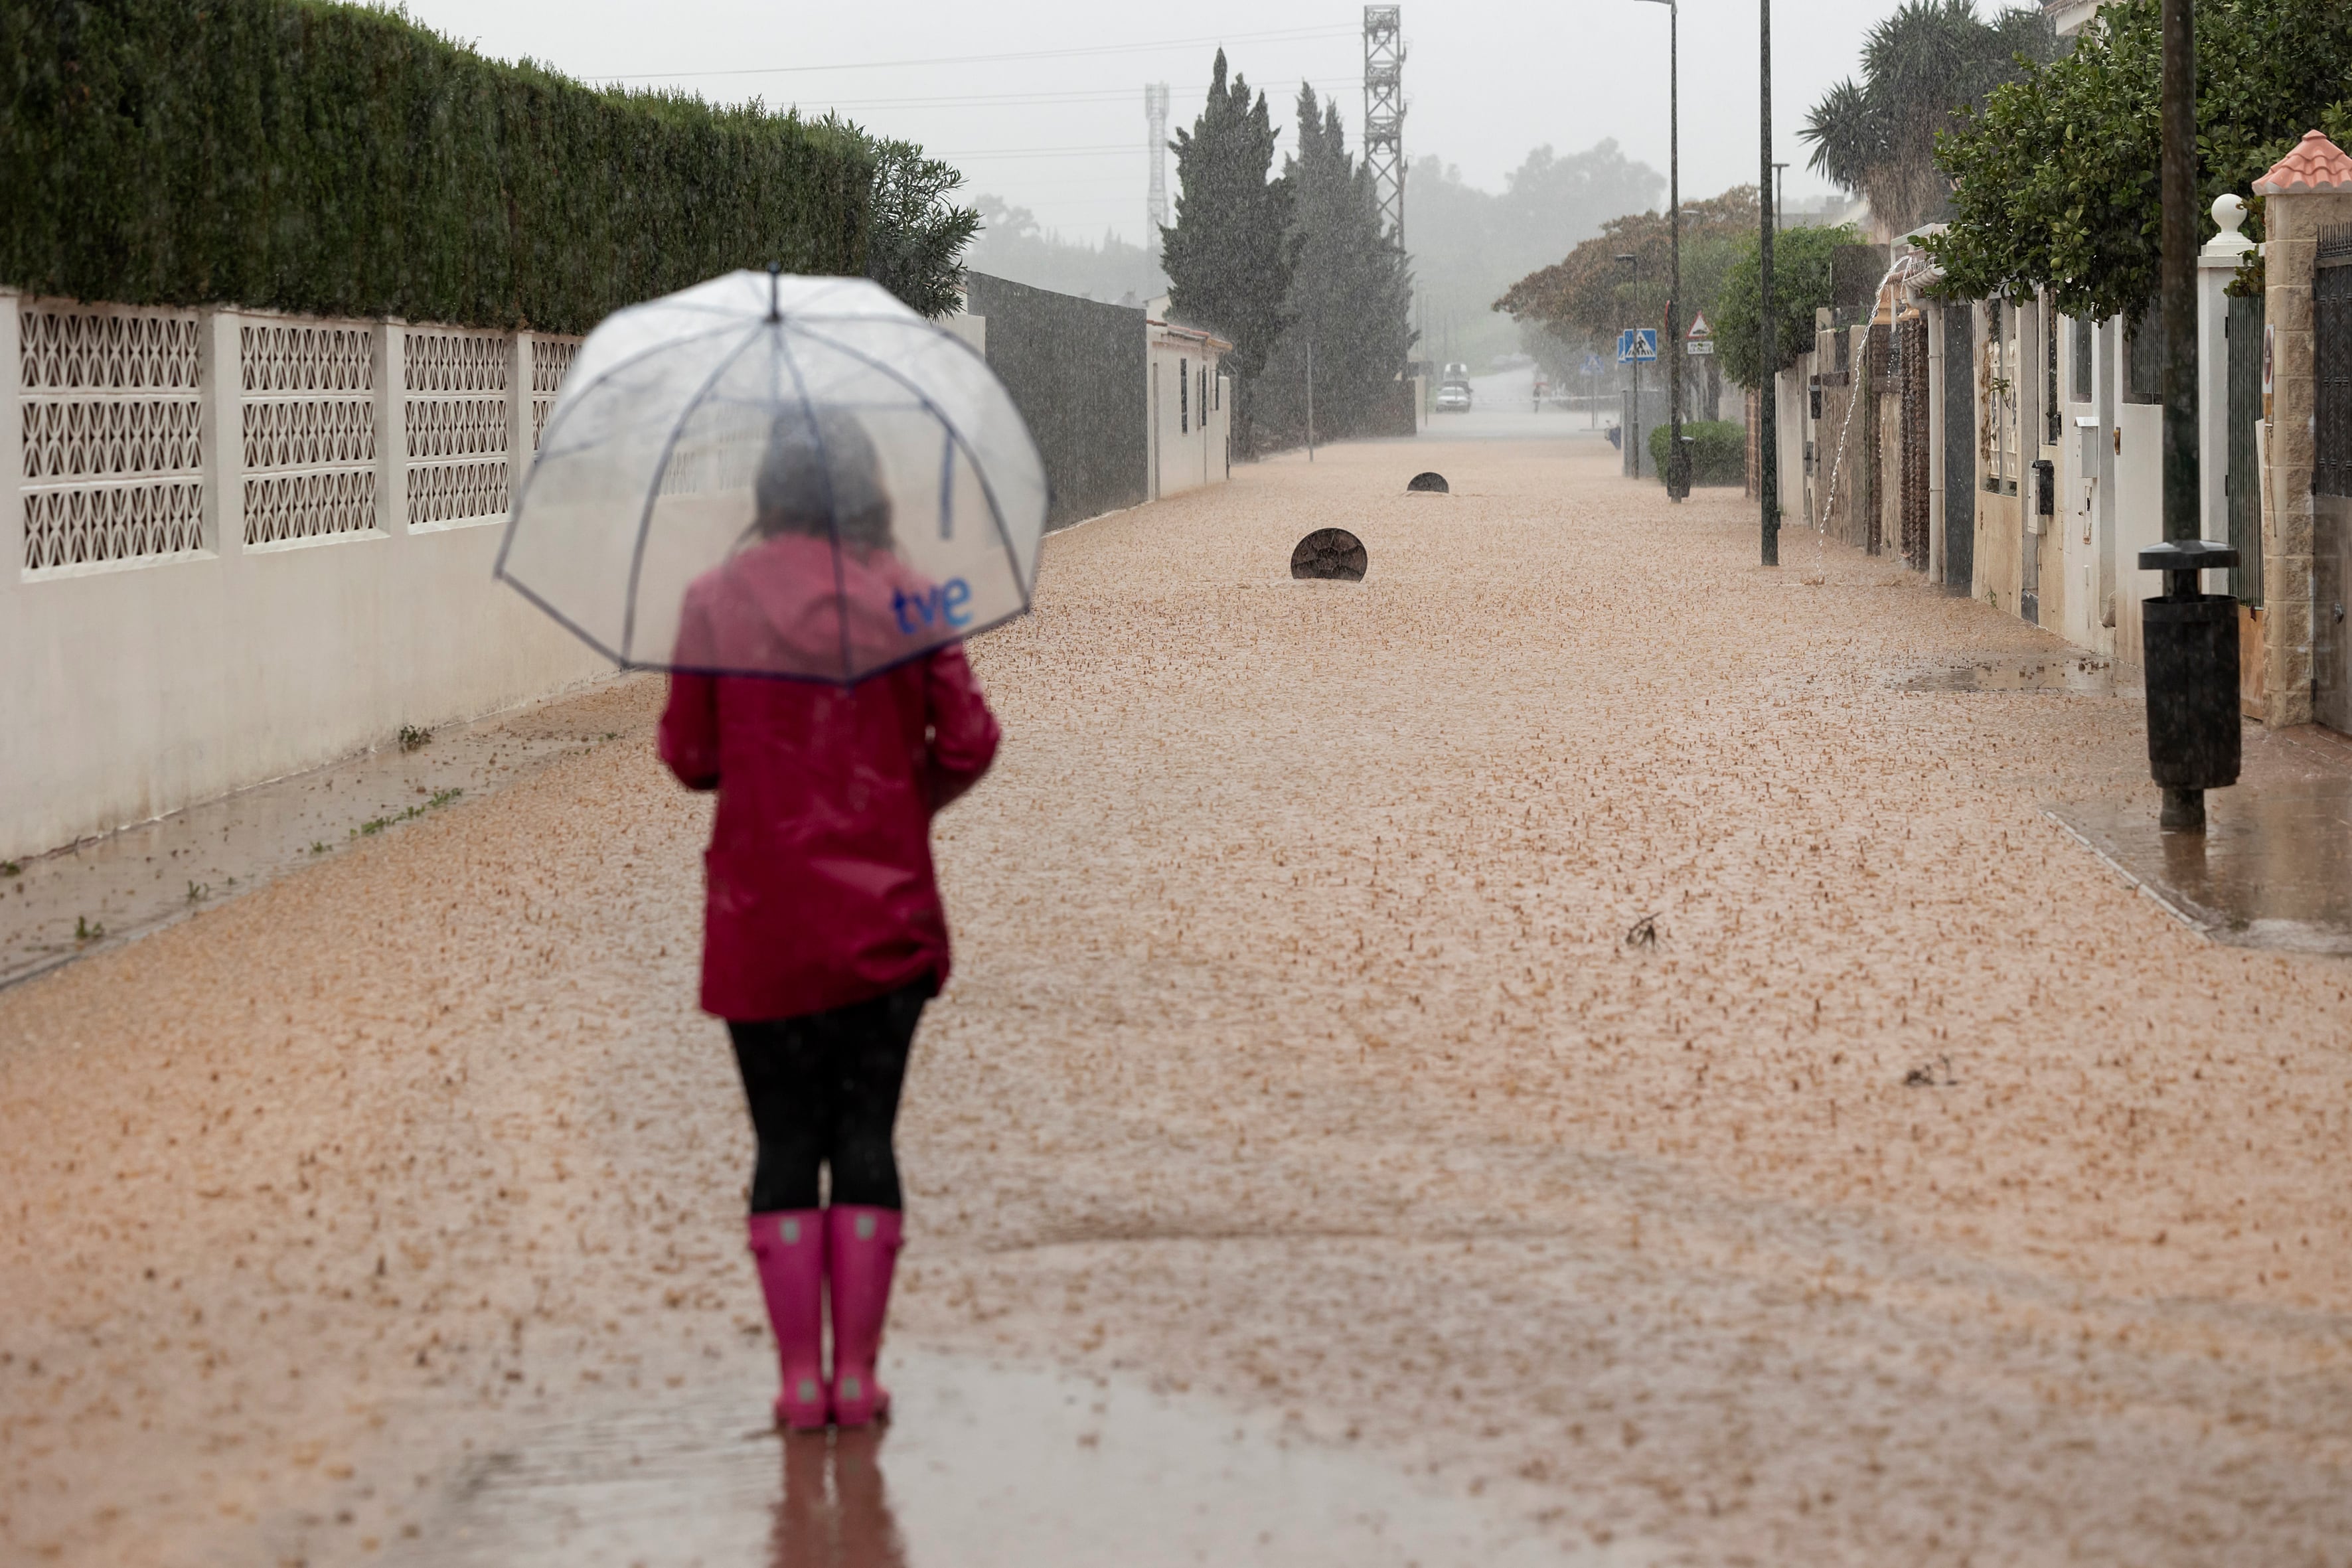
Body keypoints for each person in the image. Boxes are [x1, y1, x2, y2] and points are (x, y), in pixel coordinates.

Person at [659, 409, 1000, 1432]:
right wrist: (901, 800)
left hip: (763, 925)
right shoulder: (911, 595)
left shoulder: (714, 601)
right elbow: (972, 740)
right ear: (868, 491)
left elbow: (689, 757)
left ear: (769, 489)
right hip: (885, 924)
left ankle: (797, 1387)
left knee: (781, 1143)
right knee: (865, 1135)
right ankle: (858, 1376)